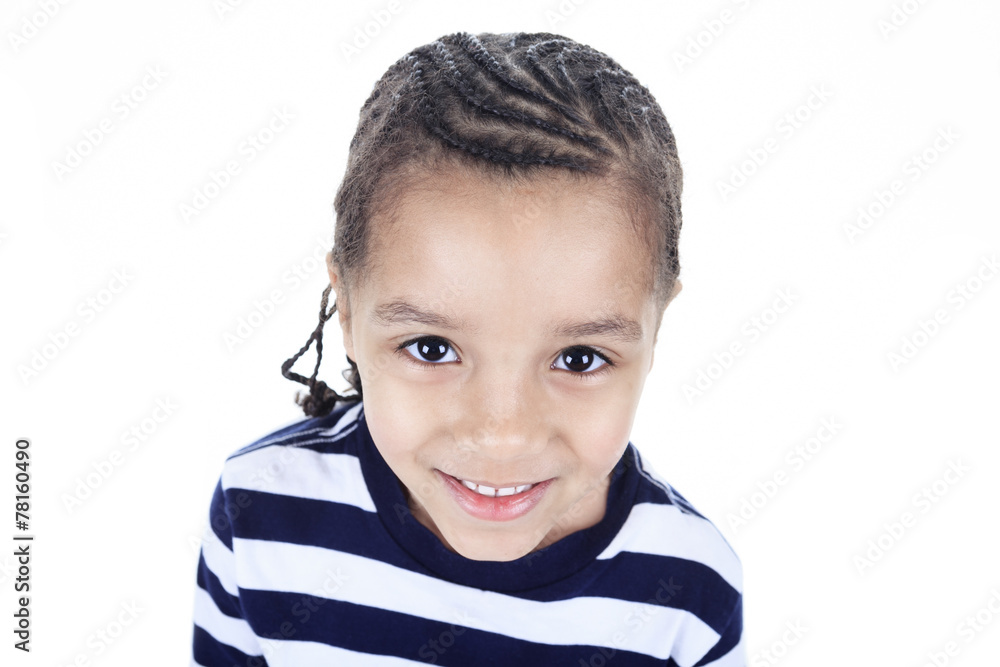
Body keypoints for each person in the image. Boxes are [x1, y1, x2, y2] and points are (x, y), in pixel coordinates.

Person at [190, 30, 744, 666]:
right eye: (431, 348)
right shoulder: (261, 511)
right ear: (346, 312)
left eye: (579, 359)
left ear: (657, 327)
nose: (502, 436)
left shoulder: (689, 594)